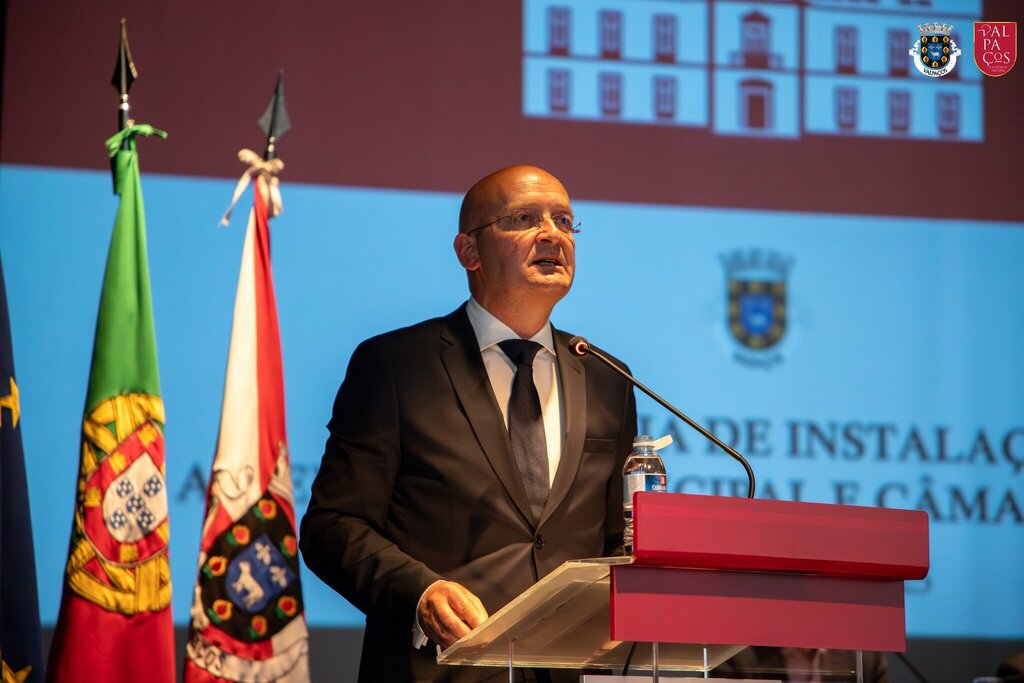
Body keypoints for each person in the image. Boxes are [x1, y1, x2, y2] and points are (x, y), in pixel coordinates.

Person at [300, 165, 638, 682]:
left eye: (564, 221)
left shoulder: (607, 376)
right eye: (524, 219)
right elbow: (332, 526)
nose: (553, 234)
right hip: (438, 670)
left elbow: (617, 539)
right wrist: (420, 593)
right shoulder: (395, 366)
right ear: (469, 252)